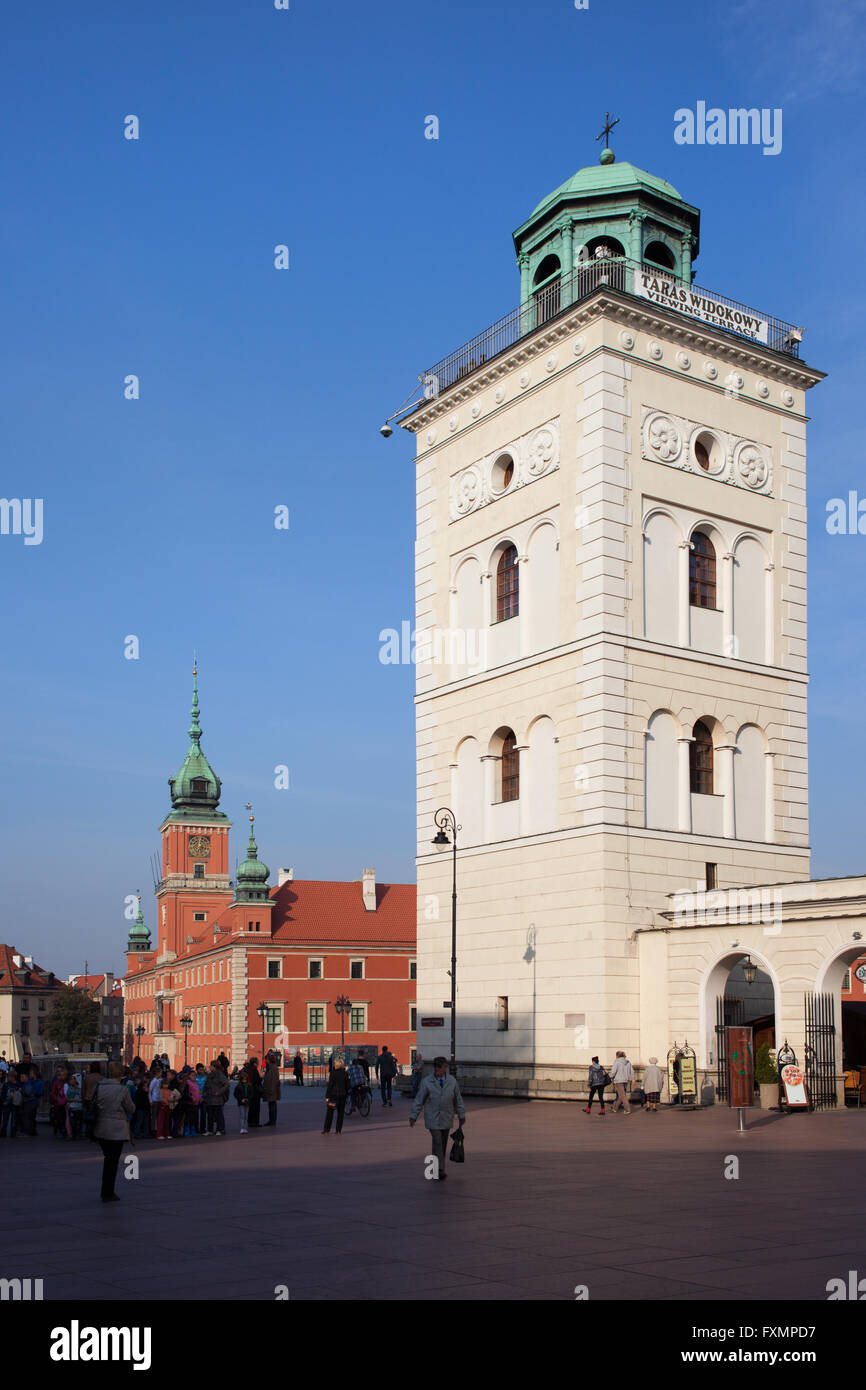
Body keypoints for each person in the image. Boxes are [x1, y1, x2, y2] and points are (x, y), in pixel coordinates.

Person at [409, 1057, 465, 1181]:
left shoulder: (452, 1081)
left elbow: (458, 1099)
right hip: (432, 1117)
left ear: (445, 1068)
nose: (440, 1071)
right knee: (438, 1141)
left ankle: (438, 1168)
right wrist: (413, 1116)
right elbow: (419, 1099)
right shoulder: (426, 1082)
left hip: (446, 1116)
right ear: (435, 1068)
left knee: (442, 1143)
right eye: (438, 1069)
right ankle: (440, 1170)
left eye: (443, 1068)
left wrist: (461, 1115)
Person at [92, 1061, 134, 1202]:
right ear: (121, 1074)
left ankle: (106, 1191)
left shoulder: (99, 1086)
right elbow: (131, 1109)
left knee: (107, 1158)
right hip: (117, 1128)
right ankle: (108, 1192)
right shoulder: (123, 1089)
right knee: (112, 1161)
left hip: (101, 1126)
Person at [323, 1057, 350, 1134]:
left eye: (335, 1063)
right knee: (340, 1113)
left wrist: (327, 1096)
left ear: (337, 1065)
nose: (334, 1065)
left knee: (330, 1113)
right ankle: (338, 1130)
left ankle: (326, 1130)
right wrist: (347, 1093)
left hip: (333, 1096)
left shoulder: (333, 1073)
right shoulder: (345, 1073)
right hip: (342, 1096)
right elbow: (348, 1085)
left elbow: (330, 1085)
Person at [203, 1061, 229, 1135]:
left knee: (218, 1115)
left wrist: (219, 1092)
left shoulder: (220, 1075)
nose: (210, 1067)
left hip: (217, 1098)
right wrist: (205, 1093)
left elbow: (226, 1084)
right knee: (210, 1116)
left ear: (214, 1067)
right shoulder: (209, 1075)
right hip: (209, 1098)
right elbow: (206, 1085)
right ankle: (210, 1130)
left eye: (211, 1066)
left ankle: (220, 1129)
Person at [19, 1067, 43, 1137]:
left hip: (33, 1101)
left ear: (34, 1074)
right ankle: (32, 1131)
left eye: (30, 1073)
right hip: (30, 1101)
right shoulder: (30, 1081)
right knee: (30, 1117)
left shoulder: (38, 1082)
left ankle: (29, 1132)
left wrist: (34, 1093)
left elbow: (40, 1092)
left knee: (29, 1117)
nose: (29, 1074)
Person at [610, 1051, 635, 1115]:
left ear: (617, 1056)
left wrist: (611, 1077)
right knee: (621, 1095)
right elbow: (632, 1071)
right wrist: (633, 1080)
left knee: (623, 1096)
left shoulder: (617, 1062)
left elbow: (613, 1071)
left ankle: (627, 1109)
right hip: (625, 1080)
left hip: (618, 1080)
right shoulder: (628, 1062)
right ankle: (615, 1108)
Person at [262, 1053, 281, 1125]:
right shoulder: (271, 1067)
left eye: (266, 1059)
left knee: (272, 1105)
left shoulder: (272, 1068)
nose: (265, 1061)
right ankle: (272, 1120)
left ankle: (272, 1120)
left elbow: (273, 1080)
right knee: (271, 1105)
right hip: (272, 1089)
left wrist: (270, 1089)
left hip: (271, 1089)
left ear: (269, 1060)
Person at [0, 1072, 21, 1138]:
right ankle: (3, 1132)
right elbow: (3, 1094)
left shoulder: (18, 1085)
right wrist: (3, 1101)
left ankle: (13, 1133)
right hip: (6, 1104)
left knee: (14, 1120)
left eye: (8, 1077)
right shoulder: (6, 1085)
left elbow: (19, 1095)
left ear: (13, 1077)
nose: (7, 1078)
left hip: (14, 1104)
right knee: (5, 1119)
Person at [50, 1067, 69, 1138]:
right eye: (61, 1075)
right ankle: (59, 1130)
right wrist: (57, 1099)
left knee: (64, 1118)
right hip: (58, 1103)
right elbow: (53, 1093)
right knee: (58, 1118)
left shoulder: (67, 1082)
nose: (63, 1076)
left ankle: (64, 1130)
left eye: (64, 1075)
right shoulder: (56, 1083)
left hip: (65, 1103)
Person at [64, 1074, 84, 1140]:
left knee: (79, 1122)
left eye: (73, 1079)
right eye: (71, 1079)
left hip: (79, 1108)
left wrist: (74, 1099)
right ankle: (73, 1134)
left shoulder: (80, 1089)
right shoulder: (70, 1088)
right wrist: (69, 1100)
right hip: (71, 1107)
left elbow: (81, 1098)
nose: (71, 1080)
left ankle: (79, 1135)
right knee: (72, 1122)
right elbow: (67, 1097)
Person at [234, 1068, 252, 1134]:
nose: (244, 1080)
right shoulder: (238, 1086)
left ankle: (245, 1128)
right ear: (241, 1079)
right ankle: (242, 1128)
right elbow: (236, 1094)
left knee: (246, 1116)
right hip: (241, 1102)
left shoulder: (249, 1086)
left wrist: (248, 1099)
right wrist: (241, 1099)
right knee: (242, 1115)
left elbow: (251, 1094)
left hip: (247, 1102)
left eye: (245, 1079)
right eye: (243, 1079)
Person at [246, 1058, 263, 1127]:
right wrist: (261, 1078)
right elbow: (256, 1080)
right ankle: (255, 1122)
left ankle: (250, 1122)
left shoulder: (248, 1069)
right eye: (257, 1062)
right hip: (255, 1091)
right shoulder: (254, 1070)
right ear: (254, 1063)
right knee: (256, 1107)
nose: (258, 1064)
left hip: (250, 1090)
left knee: (251, 1107)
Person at [194, 1063, 208, 1134]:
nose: (202, 1071)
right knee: (195, 1115)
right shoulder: (194, 1077)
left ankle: (203, 1129)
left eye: (202, 1069)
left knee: (203, 1114)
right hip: (196, 1098)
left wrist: (204, 1096)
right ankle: (196, 1129)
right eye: (200, 1070)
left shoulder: (206, 1077)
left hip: (203, 1098)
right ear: (197, 1070)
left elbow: (207, 1088)